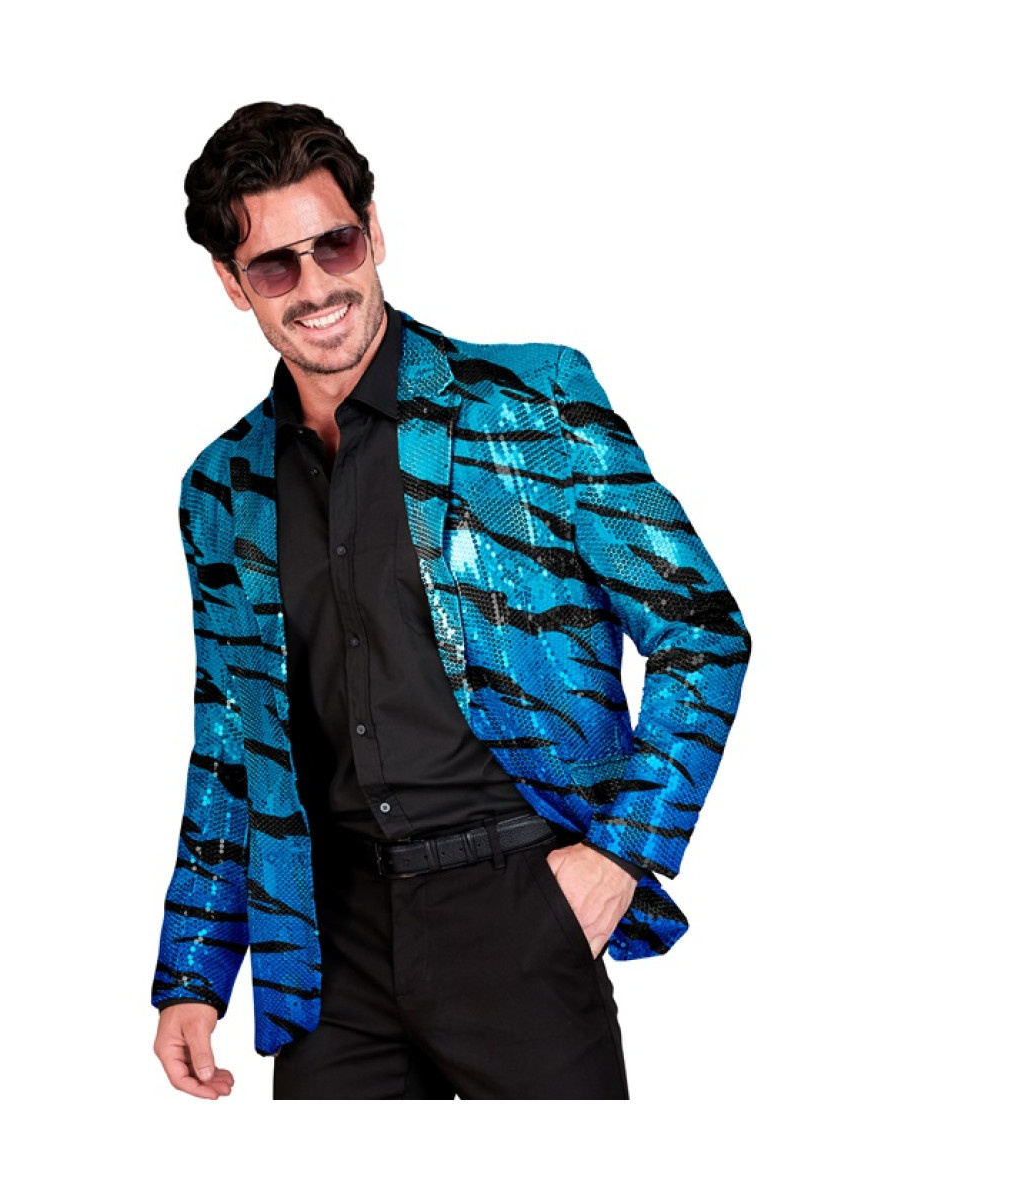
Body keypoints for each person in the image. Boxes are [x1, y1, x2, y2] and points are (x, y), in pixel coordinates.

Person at [150, 102, 751, 1100]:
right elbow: (228, 739)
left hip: (517, 902)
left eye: (334, 244)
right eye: (275, 267)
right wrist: (194, 973)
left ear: (374, 232)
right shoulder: (221, 489)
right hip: (330, 947)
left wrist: (617, 857)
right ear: (231, 282)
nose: (317, 285)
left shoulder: (530, 404)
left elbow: (701, 632)